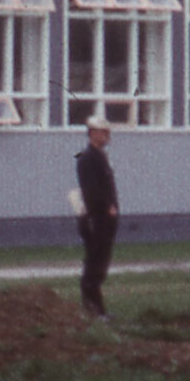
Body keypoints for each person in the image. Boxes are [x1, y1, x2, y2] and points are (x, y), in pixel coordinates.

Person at [74, 117, 119, 318]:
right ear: (92, 133)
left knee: (100, 264)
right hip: (96, 220)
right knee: (94, 264)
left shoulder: (100, 156)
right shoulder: (88, 158)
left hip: (105, 220)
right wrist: (106, 207)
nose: (107, 136)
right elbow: (92, 190)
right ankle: (93, 309)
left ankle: (97, 309)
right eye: (103, 132)